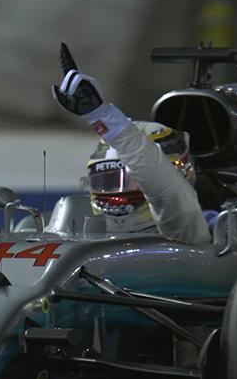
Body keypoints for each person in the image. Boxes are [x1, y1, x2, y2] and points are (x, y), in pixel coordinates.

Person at [52, 43, 211, 244]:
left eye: (136, 180)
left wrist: (102, 116)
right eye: (108, 181)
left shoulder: (185, 228)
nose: (119, 193)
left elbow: (165, 190)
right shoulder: (80, 229)